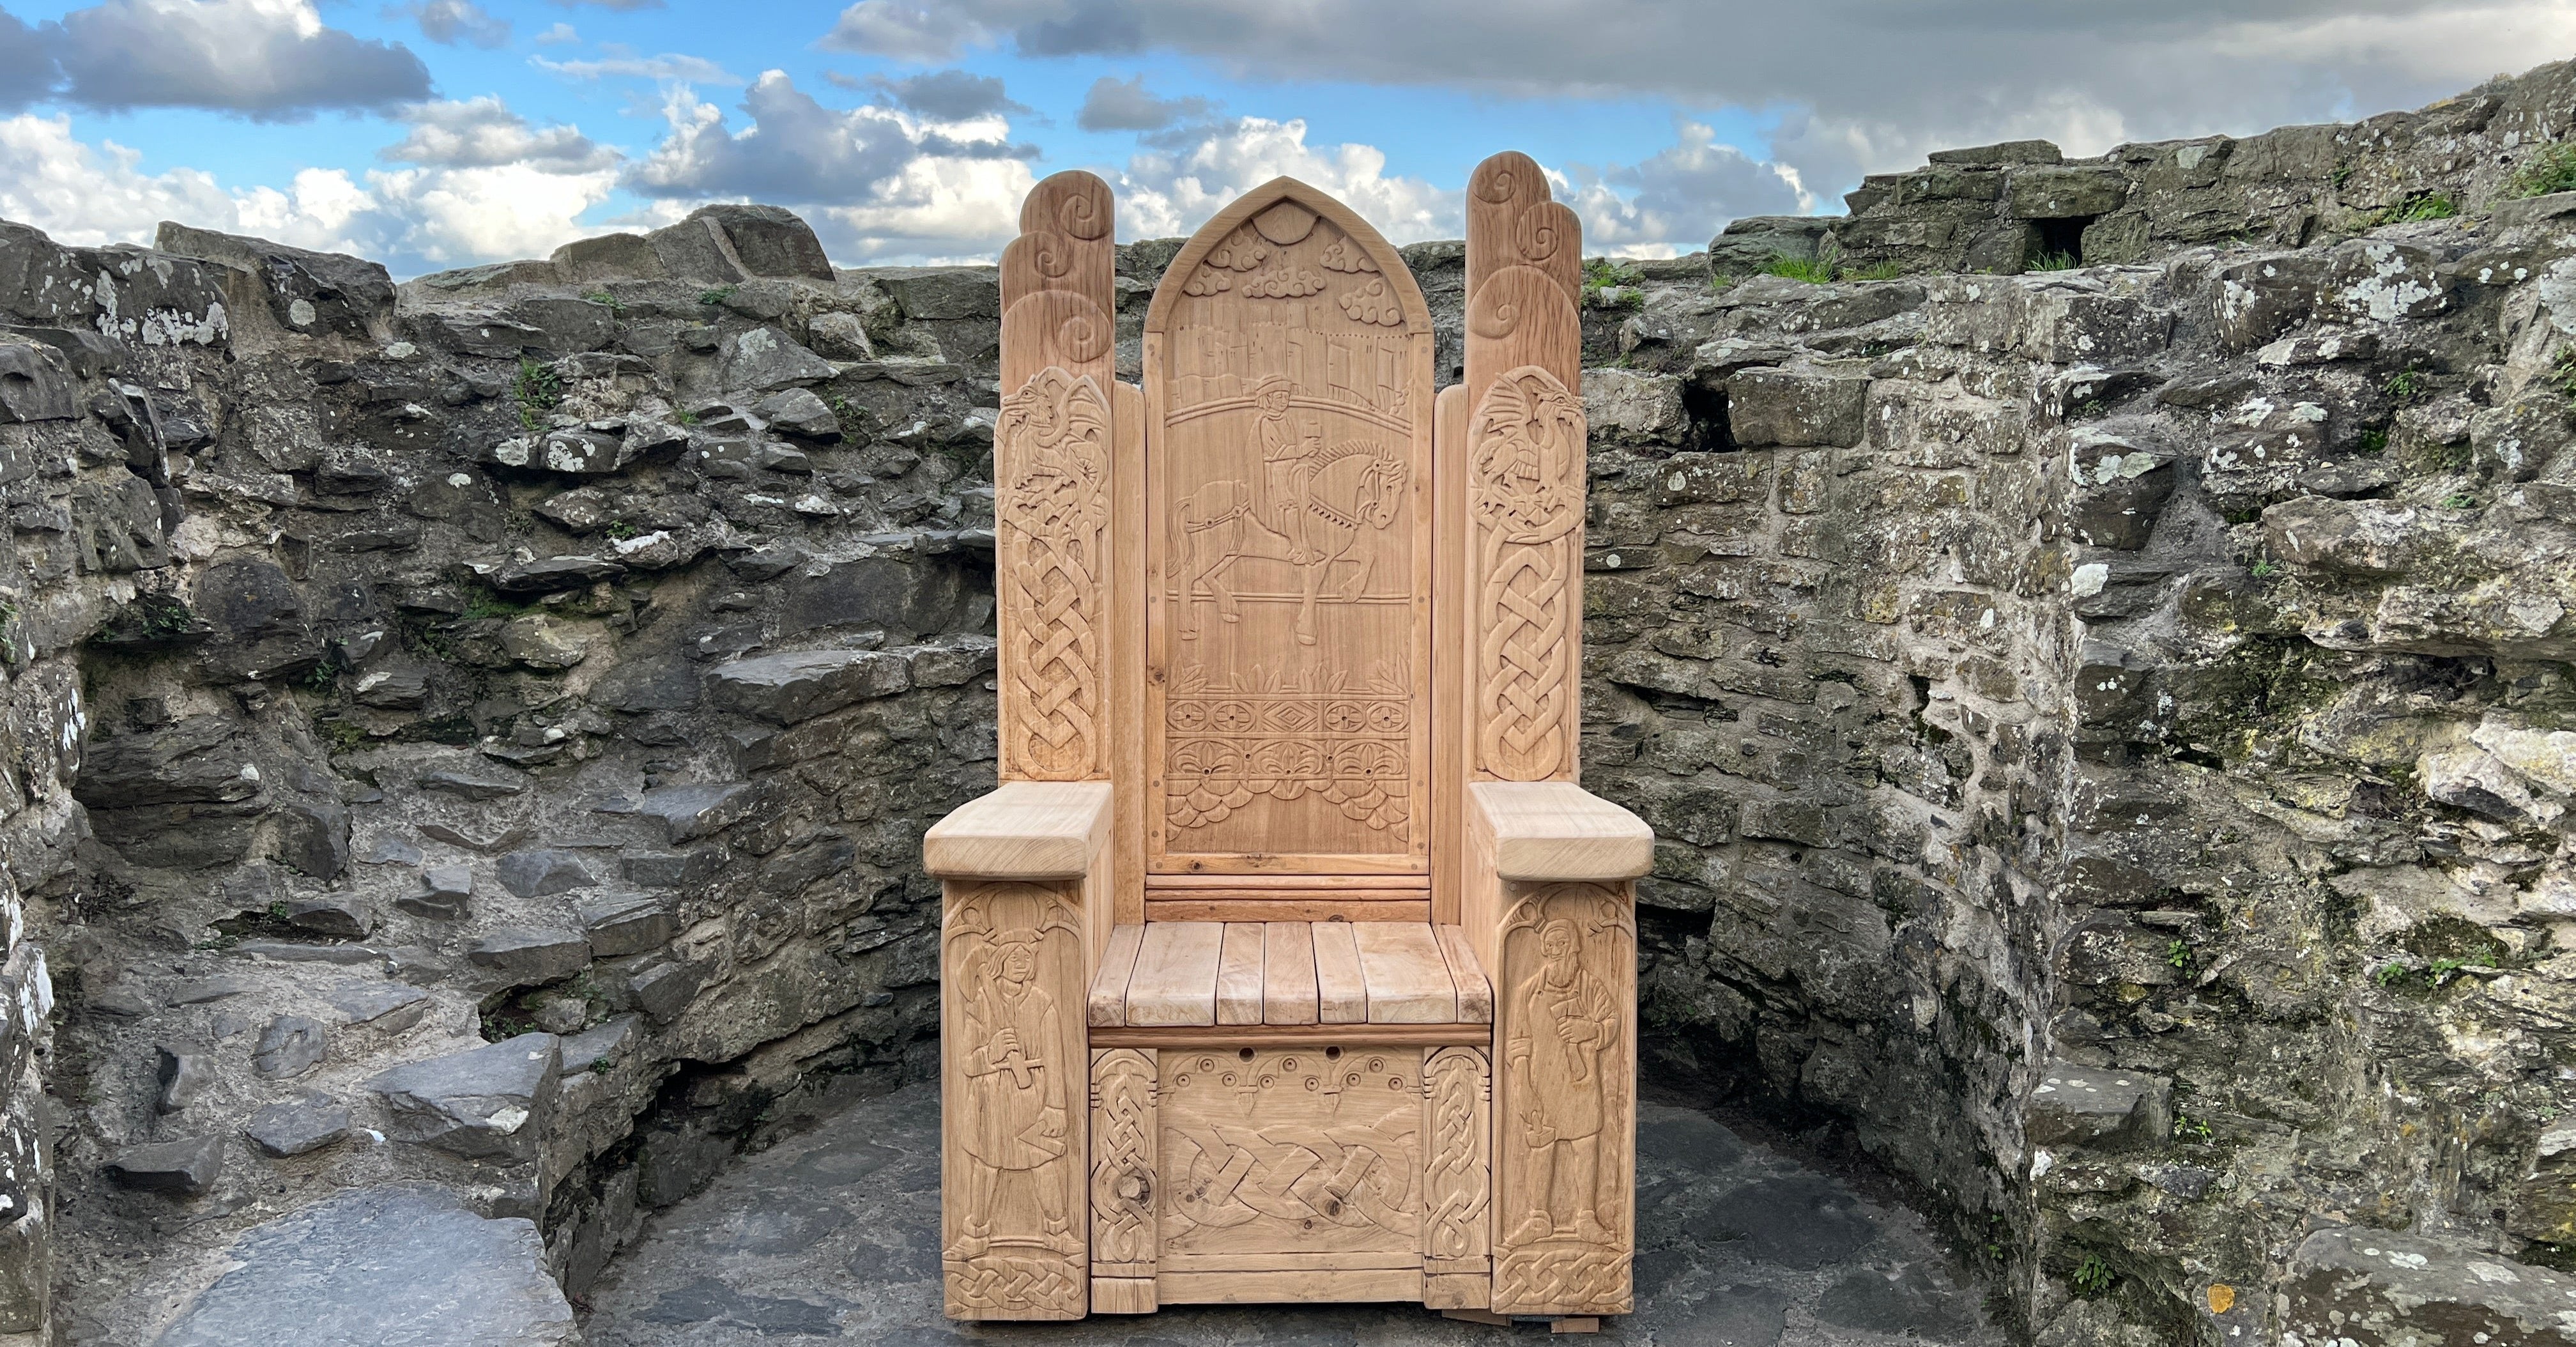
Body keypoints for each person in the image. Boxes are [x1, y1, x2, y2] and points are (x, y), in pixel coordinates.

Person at [951, 929, 1079, 1258]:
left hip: (1033, 1095)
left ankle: (1058, 1232)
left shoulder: (1042, 1003)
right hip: (991, 1100)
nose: (1022, 963)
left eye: (1027, 957)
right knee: (986, 1165)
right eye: (1014, 957)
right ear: (998, 963)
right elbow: (966, 1062)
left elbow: (1055, 1058)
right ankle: (975, 1235)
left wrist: (1056, 1106)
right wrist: (990, 1054)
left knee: (1044, 1163)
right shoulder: (981, 1005)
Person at [1506, 918, 1617, 1244]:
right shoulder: (1529, 991)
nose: (1557, 951)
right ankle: (1538, 1217)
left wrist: (1592, 1030)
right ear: (1544, 949)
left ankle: (1586, 1217)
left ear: (1575, 947)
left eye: (1563, 944)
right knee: (1541, 1148)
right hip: (1542, 1083)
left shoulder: (1590, 986)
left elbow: (1611, 1021)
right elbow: (1518, 1042)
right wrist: (1523, 1087)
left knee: (1586, 1145)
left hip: (1582, 1083)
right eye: (1551, 945)